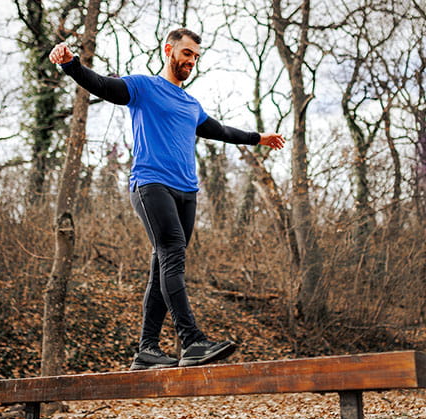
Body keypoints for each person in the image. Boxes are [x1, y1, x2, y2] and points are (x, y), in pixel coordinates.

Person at [49, 28, 285, 370]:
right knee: (172, 254)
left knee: (162, 265)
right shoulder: (143, 87)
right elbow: (102, 84)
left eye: (195, 57)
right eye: (186, 54)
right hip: (151, 185)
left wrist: (257, 138)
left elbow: (218, 131)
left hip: (187, 193)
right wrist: (70, 64)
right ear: (169, 50)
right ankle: (192, 341)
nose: (191, 61)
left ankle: (147, 350)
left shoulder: (191, 104)